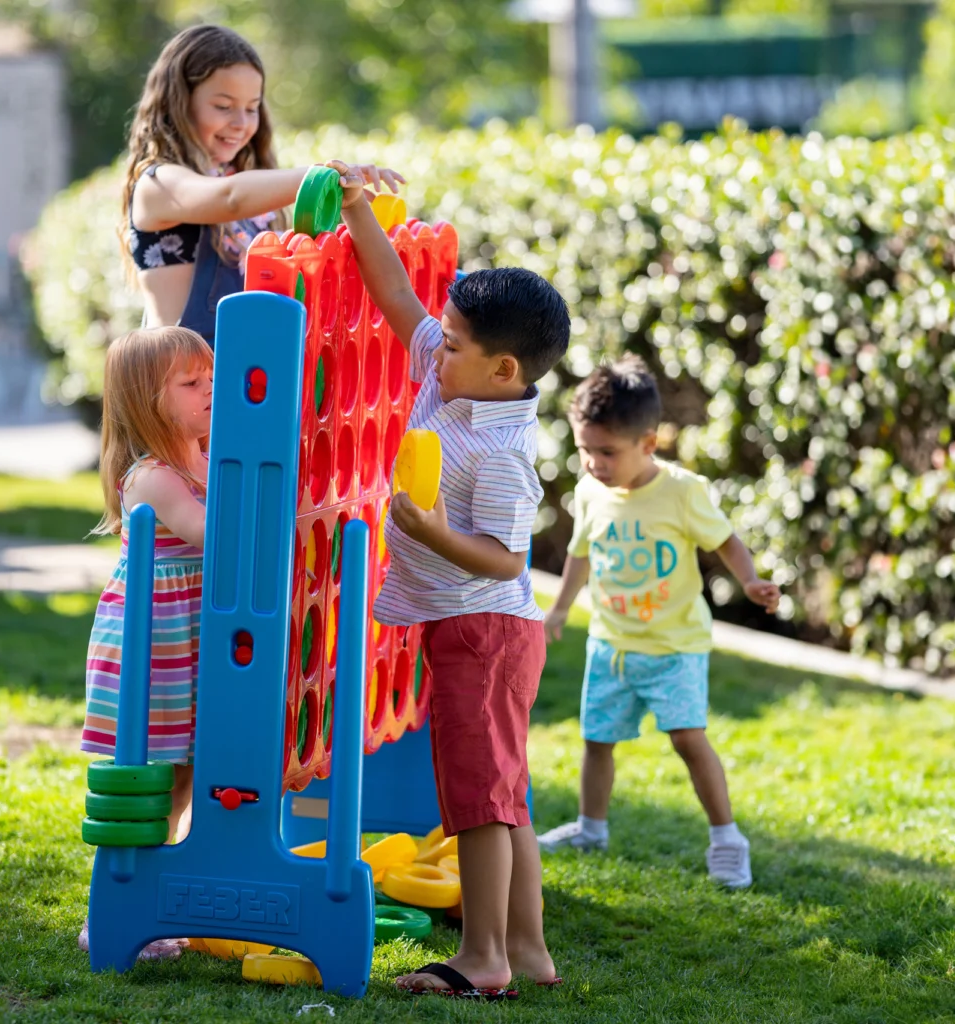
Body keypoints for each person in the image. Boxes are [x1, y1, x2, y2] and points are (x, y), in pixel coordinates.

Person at [331, 161, 565, 1000]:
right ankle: (530, 952)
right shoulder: (452, 370)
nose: (438, 348)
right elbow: (399, 300)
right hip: (474, 629)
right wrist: (359, 213)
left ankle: (482, 961)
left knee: (476, 803)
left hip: (484, 631)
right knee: (505, 798)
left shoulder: (502, 452)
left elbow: (506, 558)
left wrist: (430, 531)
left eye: (456, 344)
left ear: (505, 370)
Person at [537, 357, 781, 889]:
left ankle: (726, 838)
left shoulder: (682, 491)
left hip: (674, 648)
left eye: (607, 452)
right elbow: (581, 553)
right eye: (585, 450)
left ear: (648, 444)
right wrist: (559, 608)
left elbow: (726, 540)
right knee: (597, 740)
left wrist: (750, 581)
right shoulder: (589, 492)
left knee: (688, 739)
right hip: (611, 645)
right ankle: (591, 828)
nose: (594, 463)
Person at [122, 25, 402, 344]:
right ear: (179, 102)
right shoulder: (159, 184)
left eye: (251, 107)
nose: (241, 123)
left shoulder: (242, 183)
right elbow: (230, 199)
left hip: (246, 377)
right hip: (182, 381)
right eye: (224, 106)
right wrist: (320, 177)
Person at [77, 326, 214, 961]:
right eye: (191, 383)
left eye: (210, 375)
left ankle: (159, 901)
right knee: (147, 779)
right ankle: (118, 906)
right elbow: (211, 532)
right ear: (145, 401)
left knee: (184, 776)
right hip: (152, 644)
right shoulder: (155, 477)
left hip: (188, 639)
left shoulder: (205, 453)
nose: (210, 387)